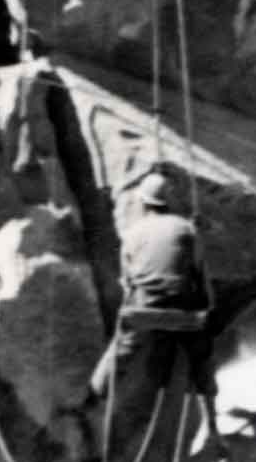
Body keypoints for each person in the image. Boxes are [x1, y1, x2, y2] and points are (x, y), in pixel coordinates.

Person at [90, 165, 220, 433]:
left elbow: (128, 283)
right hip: (184, 317)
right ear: (168, 201)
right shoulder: (187, 229)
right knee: (201, 360)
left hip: (142, 314)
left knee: (118, 355)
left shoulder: (130, 236)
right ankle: (214, 428)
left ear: (143, 202)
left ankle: (92, 398)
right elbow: (199, 274)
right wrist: (207, 309)